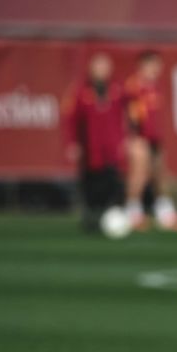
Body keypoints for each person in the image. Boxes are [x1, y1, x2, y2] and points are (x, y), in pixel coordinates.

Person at [123, 50, 177, 232]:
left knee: (160, 176)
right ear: (143, 65)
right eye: (153, 65)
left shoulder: (155, 86)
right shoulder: (134, 86)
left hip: (155, 138)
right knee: (139, 176)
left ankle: (165, 214)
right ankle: (133, 213)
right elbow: (130, 115)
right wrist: (134, 136)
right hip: (140, 137)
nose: (157, 69)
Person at [65, 51, 126, 233]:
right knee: (91, 183)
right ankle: (91, 217)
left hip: (112, 146)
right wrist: (72, 142)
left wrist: (124, 140)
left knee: (112, 182)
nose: (101, 71)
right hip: (91, 147)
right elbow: (71, 119)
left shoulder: (117, 90)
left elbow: (124, 117)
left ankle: (110, 216)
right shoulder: (81, 92)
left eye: (104, 67)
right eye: (98, 67)